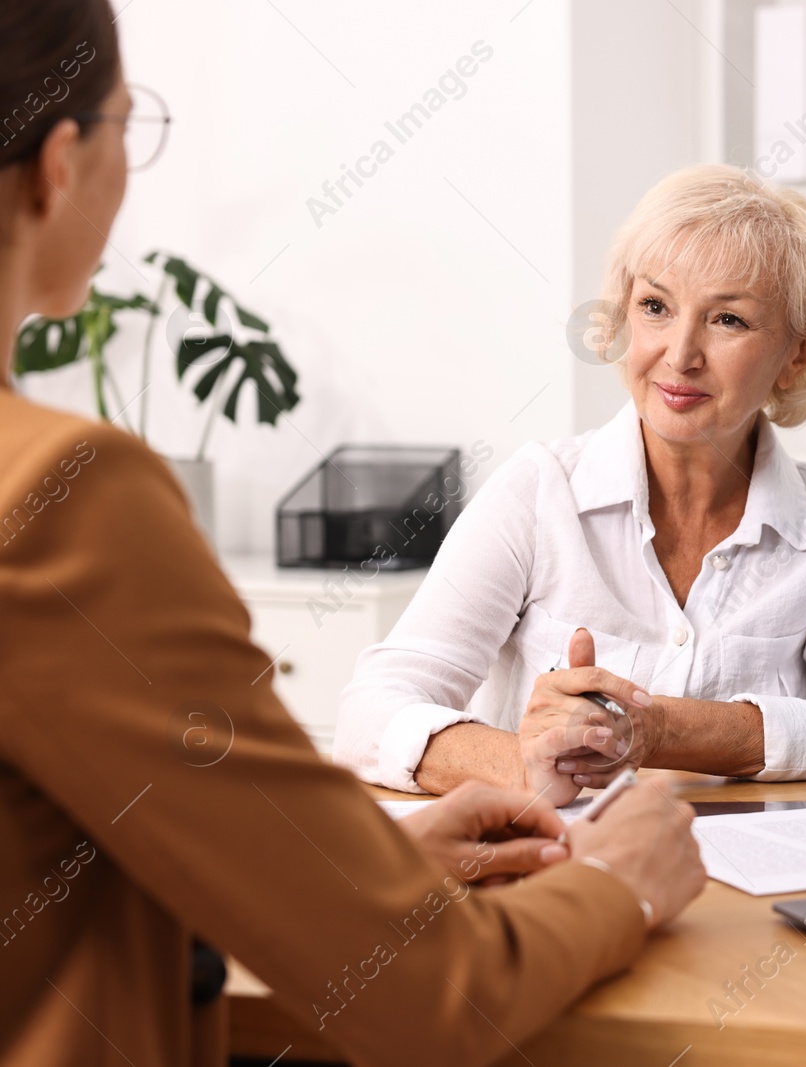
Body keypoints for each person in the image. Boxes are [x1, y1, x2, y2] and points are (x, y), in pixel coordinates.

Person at [0, 5, 704, 1065]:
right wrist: (618, 884)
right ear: (59, 164)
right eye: (125, 125)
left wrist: (359, 861)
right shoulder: (64, 496)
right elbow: (426, 998)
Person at [334, 165, 806, 802]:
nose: (680, 353)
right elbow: (373, 711)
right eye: (655, 307)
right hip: (552, 873)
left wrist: (655, 728)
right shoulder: (538, 491)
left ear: (797, 353)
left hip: (751, 877)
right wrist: (524, 763)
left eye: (728, 320)